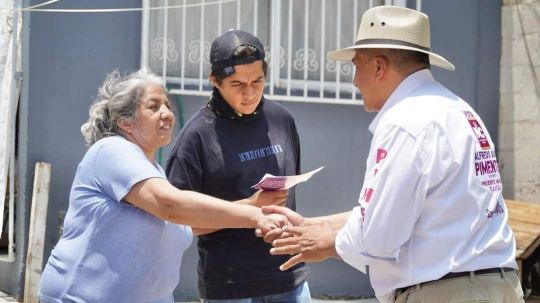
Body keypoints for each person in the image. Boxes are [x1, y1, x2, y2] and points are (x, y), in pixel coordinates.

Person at [262, 5, 524, 303]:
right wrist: (318, 225)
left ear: (378, 66)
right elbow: (413, 211)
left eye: (356, 65)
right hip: (497, 286)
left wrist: (325, 241)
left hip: (445, 293)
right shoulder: (459, 111)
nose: (354, 80)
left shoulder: (404, 122)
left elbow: (380, 238)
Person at [37, 69, 288, 303]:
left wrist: (252, 207)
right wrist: (253, 216)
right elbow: (170, 206)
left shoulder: (154, 173)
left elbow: (186, 222)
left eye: (167, 105)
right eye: (153, 107)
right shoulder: (111, 150)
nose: (167, 113)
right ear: (126, 123)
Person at [165, 29, 310, 302]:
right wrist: (249, 207)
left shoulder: (282, 119)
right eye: (237, 84)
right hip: (230, 286)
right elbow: (180, 221)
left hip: (290, 277)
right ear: (214, 81)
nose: (250, 93)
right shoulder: (197, 137)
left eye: (257, 81)